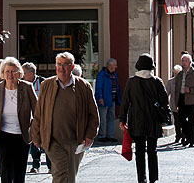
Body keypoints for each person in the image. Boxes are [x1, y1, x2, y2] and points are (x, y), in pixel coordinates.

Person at [31, 52, 99, 183]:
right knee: (61, 171)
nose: (61, 68)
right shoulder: (47, 85)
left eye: (65, 65)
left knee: (71, 174)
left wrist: (90, 135)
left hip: (76, 140)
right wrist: (36, 135)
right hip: (52, 140)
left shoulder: (83, 87)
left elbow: (93, 114)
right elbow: (39, 112)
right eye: (59, 64)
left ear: (72, 67)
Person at [0, 57, 38, 183]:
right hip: (3, 133)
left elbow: (37, 111)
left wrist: (37, 134)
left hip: (22, 134)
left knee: (20, 169)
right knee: (6, 168)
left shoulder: (27, 87)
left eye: (14, 71)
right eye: (7, 71)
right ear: (2, 73)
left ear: (19, 73)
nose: (10, 75)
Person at [119, 54, 170, 183]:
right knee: (153, 151)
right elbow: (165, 102)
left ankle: (141, 179)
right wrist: (167, 118)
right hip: (153, 121)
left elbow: (125, 102)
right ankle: (153, 179)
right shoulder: (157, 81)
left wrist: (122, 119)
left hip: (137, 121)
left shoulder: (132, 82)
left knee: (139, 152)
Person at [22, 62, 51, 174]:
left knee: (46, 141)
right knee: (34, 141)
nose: (22, 75)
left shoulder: (44, 82)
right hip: (30, 117)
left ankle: (50, 166)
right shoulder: (22, 84)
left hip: (44, 117)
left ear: (31, 73)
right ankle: (35, 165)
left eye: (24, 73)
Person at [172, 52, 194, 147]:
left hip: (192, 100)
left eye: (186, 61)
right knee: (181, 119)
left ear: (190, 62)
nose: (184, 63)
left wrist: (190, 90)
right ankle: (188, 137)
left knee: (191, 121)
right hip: (182, 99)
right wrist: (176, 101)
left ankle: (191, 140)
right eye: (182, 61)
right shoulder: (180, 74)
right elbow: (177, 89)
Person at [94, 58, 122, 143]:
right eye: (115, 65)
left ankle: (110, 135)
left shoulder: (114, 74)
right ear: (110, 65)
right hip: (104, 99)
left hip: (112, 99)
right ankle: (101, 135)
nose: (116, 66)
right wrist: (100, 98)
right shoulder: (102, 74)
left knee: (111, 117)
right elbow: (99, 87)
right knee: (102, 118)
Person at [166, 65, 183, 144]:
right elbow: (167, 93)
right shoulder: (171, 82)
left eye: (178, 73)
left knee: (182, 120)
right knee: (177, 121)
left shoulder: (184, 81)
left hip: (183, 104)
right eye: (175, 73)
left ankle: (184, 135)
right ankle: (178, 135)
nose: (176, 75)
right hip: (174, 105)